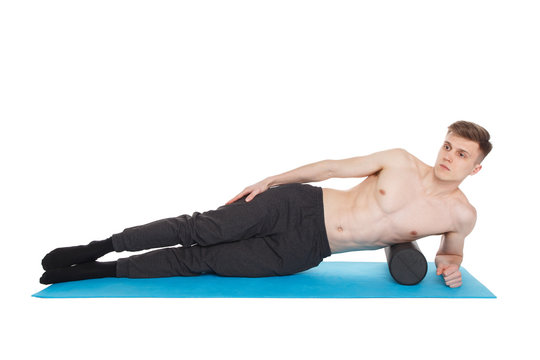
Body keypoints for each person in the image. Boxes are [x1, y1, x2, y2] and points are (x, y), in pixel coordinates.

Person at [40, 120, 492, 288]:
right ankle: (99, 246)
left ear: (475, 168)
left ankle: (106, 271)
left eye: (461, 154)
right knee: (198, 228)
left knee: (203, 262)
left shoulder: (459, 215)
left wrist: (449, 266)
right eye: (448, 146)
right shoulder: (399, 161)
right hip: (297, 206)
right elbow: (332, 167)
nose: (448, 157)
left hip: (306, 251)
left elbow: (451, 253)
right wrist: (274, 179)